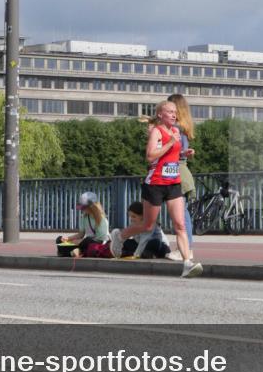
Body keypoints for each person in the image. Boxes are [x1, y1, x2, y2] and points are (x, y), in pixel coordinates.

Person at [120, 99, 202, 278]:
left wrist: (183, 153)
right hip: (155, 184)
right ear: (160, 114)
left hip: (173, 183)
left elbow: (171, 155)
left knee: (180, 225)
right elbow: (150, 157)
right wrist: (170, 143)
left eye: (175, 112)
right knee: (147, 225)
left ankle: (187, 263)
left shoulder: (175, 131)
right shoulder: (156, 132)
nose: (174, 114)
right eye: (170, 112)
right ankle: (120, 236)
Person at [166, 93, 197, 261]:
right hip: (180, 171)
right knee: (181, 213)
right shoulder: (183, 127)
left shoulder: (175, 128)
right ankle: (185, 248)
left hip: (175, 171)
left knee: (181, 215)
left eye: (170, 108)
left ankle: (185, 249)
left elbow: (174, 153)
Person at [64, 191, 123, 258]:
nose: (82, 210)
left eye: (83, 208)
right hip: (86, 243)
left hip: (99, 243)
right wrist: (68, 238)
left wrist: (79, 242)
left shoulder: (101, 219)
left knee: (87, 241)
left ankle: (78, 251)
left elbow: (101, 239)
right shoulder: (84, 217)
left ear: (92, 207)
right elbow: (81, 234)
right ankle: (78, 251)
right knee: (59, 240)